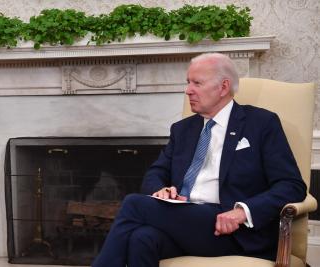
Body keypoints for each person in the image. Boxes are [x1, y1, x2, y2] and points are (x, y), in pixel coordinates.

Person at [91, 53, 307, 267]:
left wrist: (242, 212)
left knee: (133, 204)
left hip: (231, 231)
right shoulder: (183, 129)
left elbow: (291, 185)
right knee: (142, 238)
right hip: (188, 223)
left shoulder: (260, 123)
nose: (188, 90)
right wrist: (161, 189)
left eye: (197, 83)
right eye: (188, 82)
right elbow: (155, 173)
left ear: (223, 87)